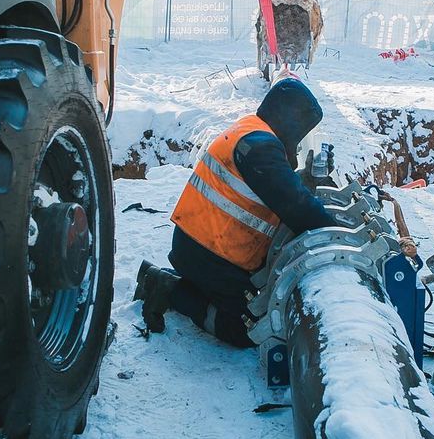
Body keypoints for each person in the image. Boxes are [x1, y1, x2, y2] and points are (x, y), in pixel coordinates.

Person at [134, 78, 338, 347]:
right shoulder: (260, 148)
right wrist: (337, 234)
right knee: (248, 328)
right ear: (290, 121)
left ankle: (181, 283)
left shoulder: (253, 132)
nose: (299, 141)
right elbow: (298, 208)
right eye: (301, 131)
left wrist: (307, 178)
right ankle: (167, 288)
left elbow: (270, 189)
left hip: (202, 245)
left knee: (252, 306)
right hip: (209, 255)